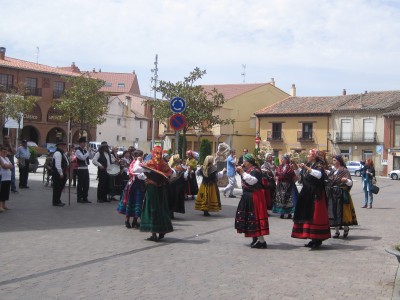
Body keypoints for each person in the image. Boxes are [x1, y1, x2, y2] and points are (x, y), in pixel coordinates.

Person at [291, 149, 331, 249]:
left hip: (316, 194)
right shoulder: (308, 165)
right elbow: (300, 176)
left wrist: (306, 167)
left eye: (309, 154)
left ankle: (317, 239)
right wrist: (295, 165)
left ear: (313, 156)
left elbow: (319, 175)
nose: (308, 156)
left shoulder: (319, 165)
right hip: (307, 193)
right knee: (307, 215)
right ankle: (312, 238)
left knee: (315, 216)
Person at [140, 146, 175, 241]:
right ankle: (162, 230)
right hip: (161, 188)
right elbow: (171, 174)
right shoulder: (164, 164)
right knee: (162, 208)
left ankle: (154, 233)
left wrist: (146, 179)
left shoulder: (149, 163)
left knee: (151, 208)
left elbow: (140, 172)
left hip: (152, 188)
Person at [235, 153, 270, 249]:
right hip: (248, 196)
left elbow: (252, 181)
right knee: (250, 219)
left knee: (254, 219)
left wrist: (242, 172)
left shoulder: (255, 171)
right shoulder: (249, 170)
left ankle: (261, 241)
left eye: (245, 161)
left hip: (254, 196)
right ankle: (256, 239)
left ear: (249, 162)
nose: (243, 162)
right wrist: (240, 171)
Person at [326, 155, 358, 238]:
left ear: (339, 161)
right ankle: (336, 232)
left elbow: (350, 183)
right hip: (333, 193)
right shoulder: (332, 171)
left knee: (343, 212)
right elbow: (329, 179)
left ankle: (346, 228)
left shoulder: (344, 170)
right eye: (333, 160)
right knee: (333, 211)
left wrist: (346, 180)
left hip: (342, 193)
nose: (334, 162)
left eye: (335, 160)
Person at [117, 149, 146, 229]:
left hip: (138, 184)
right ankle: (127, 220)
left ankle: (135, 221)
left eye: (142, 155)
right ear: (136, 157)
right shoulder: (135, 163)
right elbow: (132, 172)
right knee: (131, 201)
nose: (141, 157)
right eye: (140, 155)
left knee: (138, 202)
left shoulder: (140, 163)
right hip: (134, 185)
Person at [273, 154, 297, 219]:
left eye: (283, 159)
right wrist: (276, 179)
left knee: (288, 199)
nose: (281, 160)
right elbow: (276, 175)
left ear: (286, 160)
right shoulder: (279, 167)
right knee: (281, 199)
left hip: (288, 185)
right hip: (280, 185)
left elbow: (294, 176)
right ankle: (282, 213)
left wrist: (292, 183)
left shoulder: (290, 167)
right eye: (282, 159)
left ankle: (289, 213)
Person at [167, 154, 186, 219]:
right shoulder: (174, 167)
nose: (179, 159)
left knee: (174, 199)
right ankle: (170, 213)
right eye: (178, 158)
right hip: (173, 185)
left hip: (176, 185)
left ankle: (171, 212)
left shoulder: (178, 166)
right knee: (171, 198)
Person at [52, 141, 69, 207]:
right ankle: (56, 201)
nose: (63, 146)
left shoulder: (62, 153)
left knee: (60, 188)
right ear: (58, 146)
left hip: (62, 172)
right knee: (57, 188)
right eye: (62, 145)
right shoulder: (58, 153)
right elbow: (58, 165)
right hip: (58, 174)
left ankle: (58, 200)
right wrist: (61, 173)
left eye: (64, 145)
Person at [75, 137, 91, 203]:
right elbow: (82, 158)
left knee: (86, 184)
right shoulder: (78, 151)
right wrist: (88, 152)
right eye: (83, 142)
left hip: (86, 168)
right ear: (80, 143)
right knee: (80, 184)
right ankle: (79, 198)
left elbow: (90, 157)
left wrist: (90, 152)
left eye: (85, 142)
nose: (84, 144)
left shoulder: (85, 150)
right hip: (81, 169)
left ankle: (85, 197)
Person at [0, 145, 14, 212]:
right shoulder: (0, 158)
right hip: (2, 177)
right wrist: (8, 166)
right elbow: (4, 166)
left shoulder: (7, 158)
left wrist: (8, 166)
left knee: (6, 192)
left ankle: (4, 205)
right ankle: (0, 206)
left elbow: (12, 166)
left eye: (6, 152)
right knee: (2, 192)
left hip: (8, 177)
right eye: (3, 152)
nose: (5, 153)